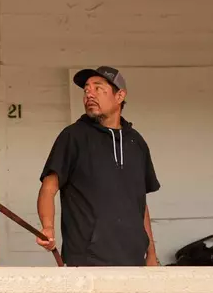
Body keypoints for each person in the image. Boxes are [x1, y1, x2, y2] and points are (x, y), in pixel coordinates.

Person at [36, 66, 161, 266]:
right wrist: (47, 227)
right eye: (86, 90)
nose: (89, 94)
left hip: (133, 261)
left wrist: (151, 255)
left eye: (98, 88)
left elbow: (140, 204)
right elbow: (48, 189)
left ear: (119, 95)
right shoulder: (73, 137)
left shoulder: (136, 143)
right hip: (87, 260)